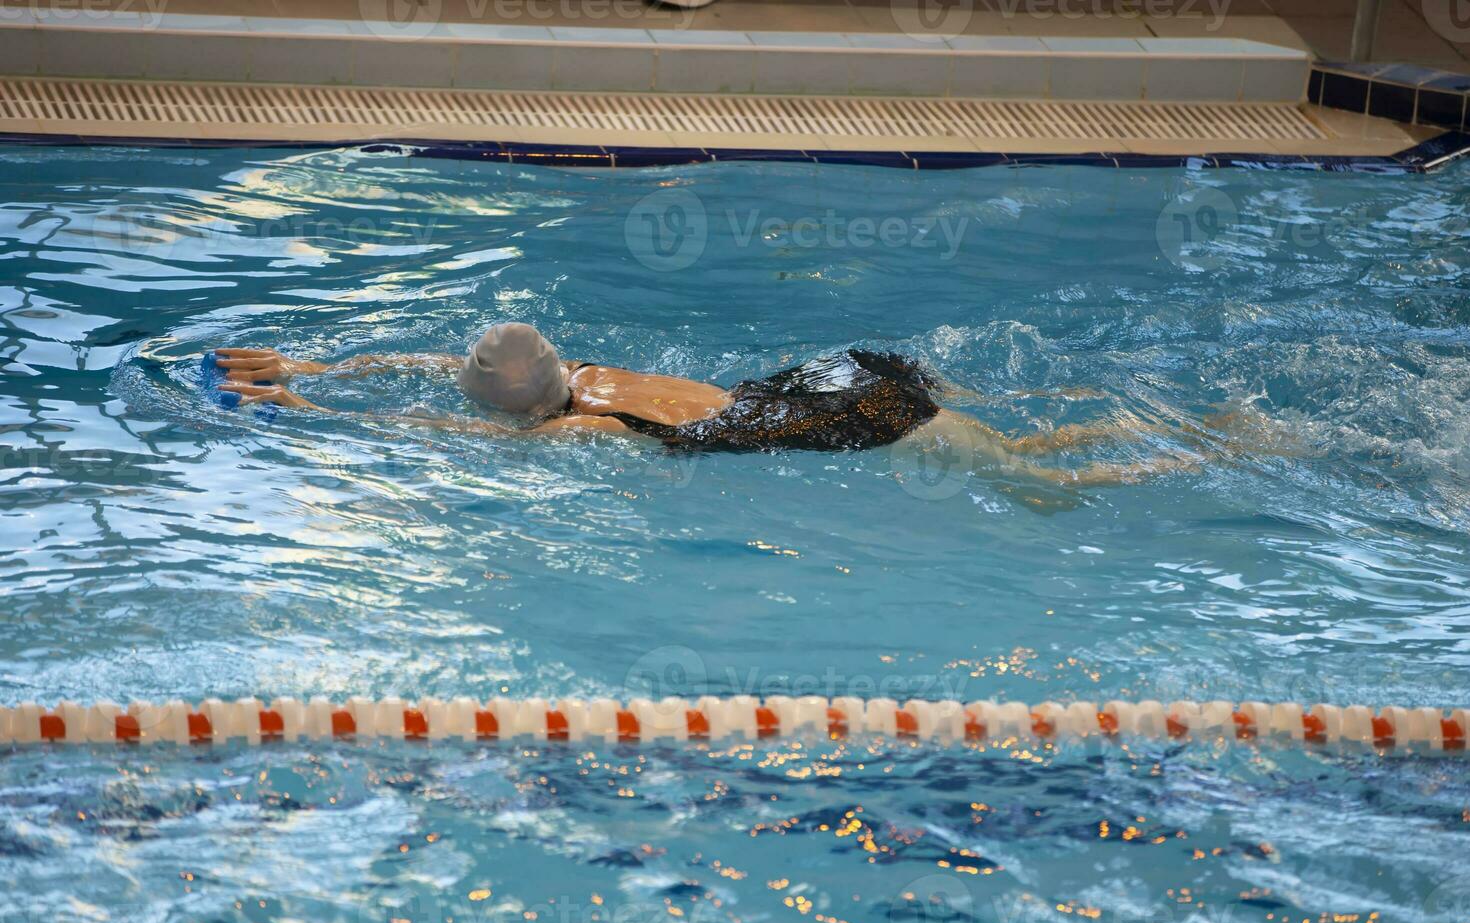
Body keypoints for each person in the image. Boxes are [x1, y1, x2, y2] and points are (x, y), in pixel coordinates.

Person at [214, 321, 1198, 488]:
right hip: (830, 378)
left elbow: (441, 427)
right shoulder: (588, 375)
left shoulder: (583, 422)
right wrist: (316, 363)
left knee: (1041, 483)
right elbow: (448, 365)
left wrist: (308, 406)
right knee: (1037, 442)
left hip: (833, 422)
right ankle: (1180, 434)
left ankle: (1211, 457)